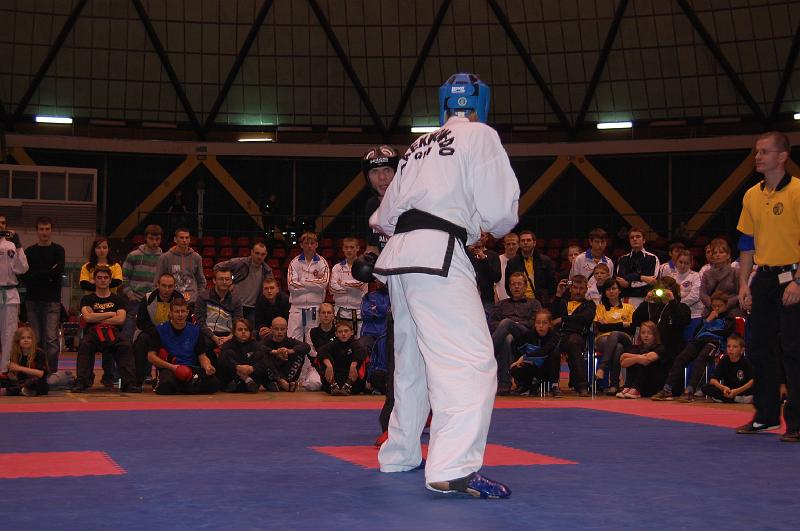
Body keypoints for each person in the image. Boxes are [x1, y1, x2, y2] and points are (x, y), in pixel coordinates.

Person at [369, 72, 518, 498]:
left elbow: (383, 218)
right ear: (481, 103)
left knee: (413, 363)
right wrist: (481, 223)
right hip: (439, 254)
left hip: (400, 257)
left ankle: (399, 454)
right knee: (470, 362)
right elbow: (501, 213)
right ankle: (452, 467)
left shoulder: (419, 144)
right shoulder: (481, 136)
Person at [736, 131, 800, 441]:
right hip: (764, 276)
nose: (758, 156)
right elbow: (746, 244)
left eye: (764, 151)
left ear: (782, 156)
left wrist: (798, 281)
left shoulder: (798, 191)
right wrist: (744, 284)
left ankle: (797, 421)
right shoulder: (751, 195)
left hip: (793, 275)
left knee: (794, 349)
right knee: (759, 346)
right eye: (756, 151)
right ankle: (766, 416)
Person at [651, 291, 735, 401]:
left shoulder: (729, 318)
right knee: (681, 358)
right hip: (699, 341)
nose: (716, 308)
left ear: (726, 305)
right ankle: (667, 388)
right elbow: (697, 333)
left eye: (719, 306)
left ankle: (690, 390)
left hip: (715, 342)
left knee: (701, 358)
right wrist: (708, 320)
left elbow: (726, 332)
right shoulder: (707, 316)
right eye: (714, 306)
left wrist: (711, 322)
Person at [71, 267, 140, 393]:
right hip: (93, 333)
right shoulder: (87, 299)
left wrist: (96, 317)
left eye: (105, 278)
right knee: (85, 345)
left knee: (125, 345)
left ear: (110, 280)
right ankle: (82, 381)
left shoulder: (118, 299)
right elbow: (87, 318)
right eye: (99, 277)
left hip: (113, 332)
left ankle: (129, 383)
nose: (102, 280)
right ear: (94, 280)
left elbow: (120, 319)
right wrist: (111, 313)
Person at [147, 298, 219, 395]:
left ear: (187, 313)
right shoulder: (160, 330)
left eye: (183, 311)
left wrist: (207, 366)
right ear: (170, 313)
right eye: (177, 312)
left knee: (213, 384)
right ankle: (187, 387)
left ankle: (184, 386)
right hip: (169, 368)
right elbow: (151, 356)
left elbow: (202, 356)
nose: (180, 314)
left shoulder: (196, 330)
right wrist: (173, 367)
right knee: (166, 385)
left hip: (190, 368)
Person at [22, 216, 65, 373]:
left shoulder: (59, 250)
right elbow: (25, 276)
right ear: (37, 231)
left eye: (47, 229)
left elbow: (57, 273)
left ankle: (51, 372)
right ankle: (37, 372)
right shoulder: (29, 251)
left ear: (51, 230)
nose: (44, 232)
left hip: (52, 301)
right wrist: (48, 273)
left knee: (51, 339)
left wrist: (36, 274)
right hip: (32, 300)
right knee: (35, 339)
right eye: (41, 229)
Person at [490, 271, 542, 395]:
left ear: (525, 286)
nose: (516, 287)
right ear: (509, 286)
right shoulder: (502, 304)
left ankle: (488, 354)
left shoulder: (534, 303)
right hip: (507, 336)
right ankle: (505, 383)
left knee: (507, 322)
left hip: (525, 336)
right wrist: (508, 326)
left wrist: (515, 324)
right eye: (513, 284)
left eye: (519, 284)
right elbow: (493, 323)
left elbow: (535, 323)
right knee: (507, 338)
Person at [132, 273, 184, 386]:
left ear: (174, 286)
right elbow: (141, 322)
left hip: (172, 335)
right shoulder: (147, 299)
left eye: (170, 286)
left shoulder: (180, 299)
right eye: (164, 286)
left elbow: (184, 321)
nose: (167, 289)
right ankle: (137, 380)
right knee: (142, 340)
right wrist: (158, 332)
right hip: (152, 334)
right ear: (157, 285)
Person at [550, 275, 596, 396]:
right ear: (570, 289)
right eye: (575, 288)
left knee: (573, 342)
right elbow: (551, 316)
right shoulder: (562, 301)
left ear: (586, 289)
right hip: (558, 336)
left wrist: (562, 319)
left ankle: (581, 385)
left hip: (577, 336)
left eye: (581, 288)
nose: (578, 291)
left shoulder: (589, 304)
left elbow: (586, 318)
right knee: (552, 346)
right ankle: (553, 385)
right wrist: (558, 294)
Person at [121, 224, 163, 342]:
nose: (154, 242)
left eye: (157, 239)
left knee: (153, 335)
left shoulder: (163, 258)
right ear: (145, 238)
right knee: (128, 334)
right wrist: (130, 294)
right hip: (135, 301)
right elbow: (124, 277)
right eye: (151, 239)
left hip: (154, 301)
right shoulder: (133, 256)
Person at [214, 242, 273, 326]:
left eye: (262, 254)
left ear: (266, 255)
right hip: (233, 305)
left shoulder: (267, 271)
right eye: (257, 253)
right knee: (229, 329)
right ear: (251, 252)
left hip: (252, 308)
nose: (259, 256)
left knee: (250, 332)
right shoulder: (240, 262)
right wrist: (229, 281)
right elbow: (217, 267)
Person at [593, 278, 635, 395]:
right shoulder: (600, 308)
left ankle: (602, 368)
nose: (611, 291)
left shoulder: (628, 307)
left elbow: (631, 329)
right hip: (603, 340)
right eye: (608, 289)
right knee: (618, 347)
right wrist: (622, 324)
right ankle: (614, 385)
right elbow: (601, 328)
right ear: (605, 292)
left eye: (614, 288)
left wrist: (609, 325)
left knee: (615, 334)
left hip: (625, 339)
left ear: (619, 290)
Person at [287, 232, 329, 342]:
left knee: (312, 341)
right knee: (293, 340)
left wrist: (303, 281)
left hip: (314, 307)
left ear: (316, 245)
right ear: (301, 245)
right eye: (306, 243)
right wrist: (314, 284)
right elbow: (291, 285)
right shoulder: (294, 263)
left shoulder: (322, 263)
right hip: (297, 308)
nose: (309, 246)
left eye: (312, 243)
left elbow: (323, 284)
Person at [509, 309, 561, 397]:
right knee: (515, 369)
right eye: (538, 322)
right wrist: (519, 359)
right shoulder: (529, 334)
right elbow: (514, 345)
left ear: (549, 324)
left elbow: (545, 351)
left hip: (546, 368)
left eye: (544, 323)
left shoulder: (554, 335)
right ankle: (525, 386)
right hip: (532, 368)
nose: (541, 326)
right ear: (535, 324)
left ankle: (554, 386)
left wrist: (525, 357)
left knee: (555, 353)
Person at [0, 215, 27, 373]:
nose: (1, 225)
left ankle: (4, 371)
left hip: (9, 294)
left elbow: (22, 268)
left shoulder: (11, 245)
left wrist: (18, 245)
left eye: (3, 223)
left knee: (9, 335)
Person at [155, 227, 205, 312]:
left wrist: (198, 297)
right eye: (181, 238)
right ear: (175, 239)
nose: (184, 240)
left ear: (190, 239)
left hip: (192, 302)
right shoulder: (165, 257)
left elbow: (201, 281)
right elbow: (157, 280)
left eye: (187, 237)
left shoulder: (197, 257)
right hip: (170, 302)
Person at [194, 268, 243, 349]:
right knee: (200, 343)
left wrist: (229, 337)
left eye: (227, 279)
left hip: (228, 335)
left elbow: (238, 322)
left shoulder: (236, 300)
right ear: (214, 280)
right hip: (208, 334)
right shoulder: (203, 297)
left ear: (231, 281)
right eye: (221, 279)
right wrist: (214, 338)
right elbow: (200, 322)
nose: (224, 282)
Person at [504, 230, 556, 305]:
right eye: (523, 240)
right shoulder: (512, 263)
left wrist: (546, 299)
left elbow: (552, 284)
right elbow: (508, 285)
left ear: (534, 243)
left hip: (540, 303)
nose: (525, 242)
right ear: (519, 244)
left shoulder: (545, 261)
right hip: (519, 302)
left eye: (528, 240)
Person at [329, 237, 368, 335]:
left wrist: (341, 283)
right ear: (343, 249)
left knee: (358, 341)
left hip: (357, 311)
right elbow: (332, 287)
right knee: (339, 340)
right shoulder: (337, 267)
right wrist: (352, 288)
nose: (349, 250)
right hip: (340, 311)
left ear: (357, 248)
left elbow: (359, 284)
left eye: (352, 247)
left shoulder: (364, 266)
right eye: (346, 247)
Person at [616, 321, 666, 399]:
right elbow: (623, 363)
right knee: (635, 360)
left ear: (655, 335)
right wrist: (638, 358)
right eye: (643, 333)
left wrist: (630, 357)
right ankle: (628, 387)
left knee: (638, 360)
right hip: (636, 383)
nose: (646, 335)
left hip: (652, 383)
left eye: (649, 333)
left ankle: (636, 389)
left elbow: (646, 361)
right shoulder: (636, 347)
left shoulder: (660, 347)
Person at [317, 320, 368, 395]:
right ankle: (333, 386)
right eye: (340, 332)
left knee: (361, 358)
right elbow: (321, 351)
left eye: (346, 331)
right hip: (334, 380)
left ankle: (347, 386)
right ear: (336, 334)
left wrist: (353, 365)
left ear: (352, 332)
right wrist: (329, 365)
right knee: (324, 359)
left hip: (353, 383)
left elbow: (362, 351)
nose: (343, 334)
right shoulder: (333, 344)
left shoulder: (356, 344)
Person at [218, 319, 269, 393]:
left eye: (246, 330)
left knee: (259, 355)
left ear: (250, 332)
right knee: (228, 354)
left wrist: (252, 368)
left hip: (252, 377)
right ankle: (245, 379)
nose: (243, 332)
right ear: (234, 332)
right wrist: (237, 367)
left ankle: (243, 380)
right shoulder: (228, 344)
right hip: (231, 379)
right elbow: (221, 361)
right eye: (240, 330)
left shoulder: (256, 345)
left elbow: (264, 362)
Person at [662, 249, 704, 342]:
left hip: (694, 315)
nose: (683, 265)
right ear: (676, 262)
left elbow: (695, 296)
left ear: (691, 264)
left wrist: (677, 305)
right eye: (680, 262)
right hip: (675, 316)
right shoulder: (671, 277)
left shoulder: (696, 276)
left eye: (686, 263)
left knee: (688, 342)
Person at [262, 316, 311, 392]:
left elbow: (307, 347)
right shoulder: (266, 341)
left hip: (288, 374)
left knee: (300, 352)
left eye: (282, 329)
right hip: (272, 375)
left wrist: (290, 351)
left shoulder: (290, 341)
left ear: (287, 329)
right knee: (261, 355)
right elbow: (258, 348)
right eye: (276, 329)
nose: (279, 332)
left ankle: (285, 382)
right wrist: (275, 352)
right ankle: (281, 382)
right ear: (271, 329)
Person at [615, 227, 660, 308]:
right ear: (629, 241)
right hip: (626, 299)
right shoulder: (623, 259)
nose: (634, 239)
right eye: (632, 237)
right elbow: (621, 279)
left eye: (638, 236)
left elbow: (651, 281)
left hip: (646, 298)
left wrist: (629, 284)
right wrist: (642, 277)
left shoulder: (652, 258)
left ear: (644, 240)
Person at [701, 334, 753, 403]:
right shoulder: (724, 360)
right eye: (729, 346)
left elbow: (752, 380)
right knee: (705, 388)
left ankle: (726, 399)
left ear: (742, 350)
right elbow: (713, 380)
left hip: (742, 391)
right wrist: (723, 388)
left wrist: (737, 391)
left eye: (735, 347)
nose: (731, 349)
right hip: (728, 390)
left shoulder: (745, 362)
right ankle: (735, 399)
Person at [0, 326, 48, 396]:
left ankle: (13, 390)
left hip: (36, 382)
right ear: (17, 341)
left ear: (33, 340)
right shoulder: (15, 354)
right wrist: (10, 373)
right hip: (20, 381)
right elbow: (15, 377)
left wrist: (19, 368)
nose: (26, 340)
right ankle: (22, 390)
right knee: (5, 380)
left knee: (33, 382)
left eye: (29, 338)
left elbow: (41, 373)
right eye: (22, 338)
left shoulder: (39, 353)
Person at [699, 238, 739, 316]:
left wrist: (725, 305)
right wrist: (713, 306)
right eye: (715, 253)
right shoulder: (706, 273)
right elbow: (702, 293)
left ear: (728, 255)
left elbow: (739, 294)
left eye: (721, 252)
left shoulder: (735, 272)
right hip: (710, 311)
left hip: (731, 312)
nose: (718, 255)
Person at [570, 228, 614, 298]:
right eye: (597, 242)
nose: (600, 245)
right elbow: (573, 281)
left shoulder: (609, 262)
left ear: (606, 243)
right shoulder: (579, 259)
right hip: (583, 299)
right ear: (590, 242)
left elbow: (609, 284)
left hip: (602, 299)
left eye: (603, 242)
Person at [468, 232, 501, 313]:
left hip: (487, 299)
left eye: (482, 235)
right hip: (469, 296)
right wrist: (467, 253)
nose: (479, 237)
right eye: (477, 234)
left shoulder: (493, 255)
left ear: (487, 238)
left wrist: (484, 259)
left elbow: (497, 277)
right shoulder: (467, 254)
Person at [494, 232, 519, 302]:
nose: (511, 247)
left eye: (513, 244)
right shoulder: (497, 260)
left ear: (518, 245)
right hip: (500, 300)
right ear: (504, 245)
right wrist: (496, 300)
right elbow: (493, 284)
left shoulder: (521, 260)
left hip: (519, 301)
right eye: (508, 244)